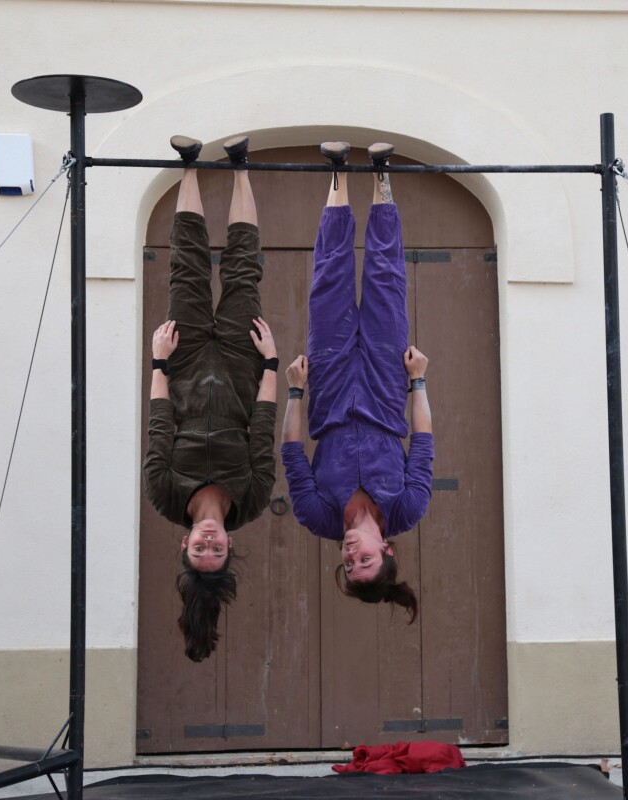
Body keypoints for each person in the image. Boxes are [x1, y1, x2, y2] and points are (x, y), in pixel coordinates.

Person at [281, 142, 433, 623]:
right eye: (363, 560)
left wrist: (296, 390)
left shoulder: (318, 517)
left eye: (348, 564)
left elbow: (291, 452)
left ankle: (338, 171)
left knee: (329, 279)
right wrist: (418, 382)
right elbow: (424, 441)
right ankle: (383, 174)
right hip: (387, 388)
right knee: (387, 277)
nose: (351, 555)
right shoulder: (408, 508)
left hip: (327, 389)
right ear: (386, 550)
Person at [142, 135, 278, 662]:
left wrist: (157, 360)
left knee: (189, 268)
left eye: (199, 548)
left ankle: (189, 164)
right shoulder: (252, 496)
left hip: (185, 360)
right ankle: (242, 168)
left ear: (184, 545)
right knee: (244, 269)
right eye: (215, 550)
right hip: (244, 366)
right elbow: (262, 424)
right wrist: (269, 361)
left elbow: (160, 423)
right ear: (227, 548)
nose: (207, 541)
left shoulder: (164, 493)